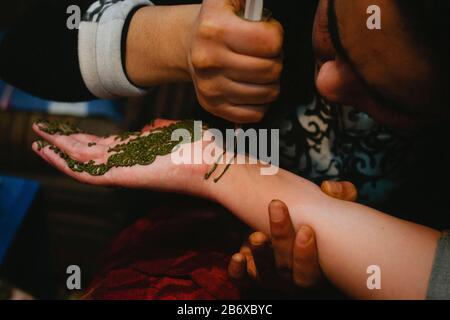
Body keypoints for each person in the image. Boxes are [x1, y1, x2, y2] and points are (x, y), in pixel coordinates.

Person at [18, 0, 450, 298]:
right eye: (333, 29)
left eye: (387, 99)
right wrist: (178, 40)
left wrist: (339, 274)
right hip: (169, 229)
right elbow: (22, 44)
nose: (327, 84)